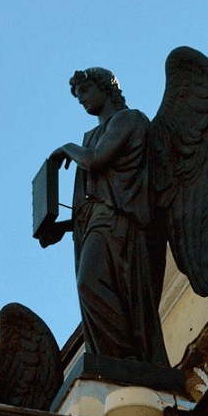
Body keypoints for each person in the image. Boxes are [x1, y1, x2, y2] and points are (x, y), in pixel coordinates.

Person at [40, 67, 170, 366]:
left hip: (123, 223)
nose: (81, 99)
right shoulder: (92, 137)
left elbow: (97, 161)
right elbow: (98, 199)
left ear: (106, 87)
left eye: (85, 91)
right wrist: (64, 227)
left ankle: (127, 355)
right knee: (92, 285)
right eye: (77, 95)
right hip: (99, 222)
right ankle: (119, 357)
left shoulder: (128, 119)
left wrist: (66, 149)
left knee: (90, 282)